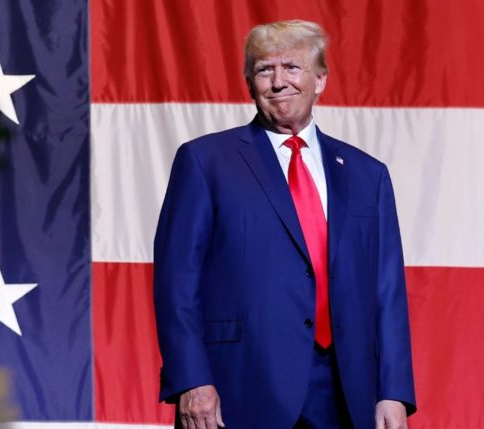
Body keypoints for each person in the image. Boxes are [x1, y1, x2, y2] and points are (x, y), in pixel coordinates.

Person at [154, 19, 416, 429]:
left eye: (292, 68)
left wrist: (394, 391)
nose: (278, 82)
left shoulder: (368, 174)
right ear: (249, 82)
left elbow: (388, 290)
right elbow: (176, 283)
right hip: (239, 385)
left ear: (320, 80)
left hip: (349, 390)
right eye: (264, 70)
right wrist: (192, 380)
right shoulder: (205, 162)